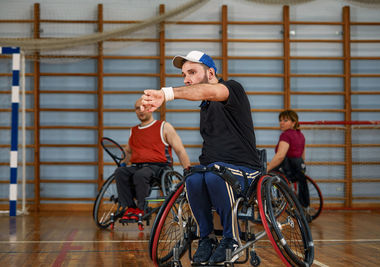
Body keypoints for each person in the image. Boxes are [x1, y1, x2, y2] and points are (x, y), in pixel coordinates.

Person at [141, 50, 262, 264]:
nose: (187, 79)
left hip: (245, 170)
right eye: (184, 75)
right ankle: (206, 238)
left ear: (211, 72)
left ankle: (231, 238)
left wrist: (167, 93)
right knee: (194, 178)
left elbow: (209, 91)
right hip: (215, 169)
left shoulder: (232, 89)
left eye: (192, 72)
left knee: (215, 175)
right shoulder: (206, 108)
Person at [115, 98, 190, 221]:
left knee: (141, 174)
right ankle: (130, 207)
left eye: (144, 107)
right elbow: (128, 152)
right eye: (137, 108)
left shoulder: (164, 127)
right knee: (120, 172)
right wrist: (122, 163)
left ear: (151, 108)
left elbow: (180, 150)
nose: (141, 110)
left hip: (159, 167)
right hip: (138, 166)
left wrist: (188, 170)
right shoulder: (133, 131)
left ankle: (141, 208)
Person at [266, 110, 311, 222]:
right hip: (299, 168)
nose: (281, 123)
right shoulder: (301, 135)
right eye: (280, 120)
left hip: (287, 169)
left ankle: (272, 206)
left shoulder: (286, 135)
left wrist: (267, 168)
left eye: (285, 120)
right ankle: (304, 207)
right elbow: (303, 155)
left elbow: (280, 156)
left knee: (267, 175)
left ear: (294, 122)